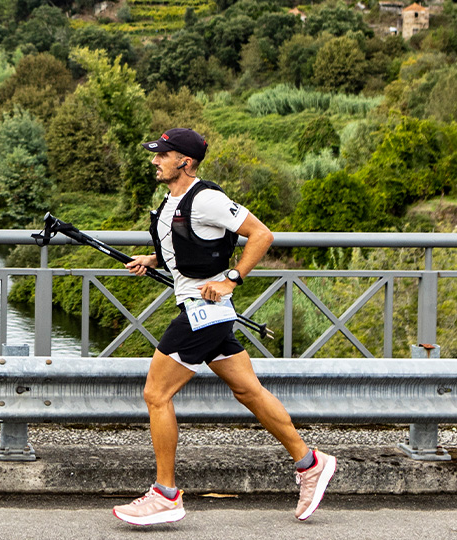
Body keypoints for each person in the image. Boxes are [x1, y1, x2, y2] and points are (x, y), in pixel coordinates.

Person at [111, 128, 336, 526]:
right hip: (208, 313)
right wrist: (152, 259)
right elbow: (191, 249)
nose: (154, 160)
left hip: (204, 311)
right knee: (248, 391)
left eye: (162, 155)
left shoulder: (208, 199)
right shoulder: (171, 201)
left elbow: (262, 235)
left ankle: (165, 495)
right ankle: (310, 462)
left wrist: (231, 278)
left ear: (185, 161)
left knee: (155, 393)